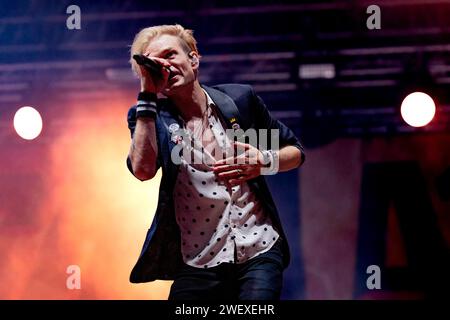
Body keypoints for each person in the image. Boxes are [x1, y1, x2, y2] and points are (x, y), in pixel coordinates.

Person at [126, 24, 305, 300]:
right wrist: (147, 95)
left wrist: (263, 161)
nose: (164, 65)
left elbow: (294, 152)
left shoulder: (238, 101)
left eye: (170, 55)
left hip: (259, 247)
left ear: (194, 59)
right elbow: (143, 170)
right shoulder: (153, 118)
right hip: (199, 260)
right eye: (154, 62)